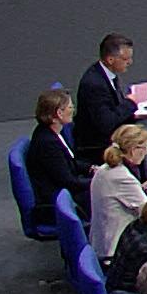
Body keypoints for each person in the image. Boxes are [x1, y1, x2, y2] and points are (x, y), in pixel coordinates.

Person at [91, 124, 147, 261]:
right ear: (134, 150)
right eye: (145, 147)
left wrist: (146, 185)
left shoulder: (105, 169)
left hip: (101, 241)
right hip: (115, 251)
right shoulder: (122, 177)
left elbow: (122, 195)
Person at [25, 89, 92, 228]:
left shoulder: (53, 132)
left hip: (65, 189)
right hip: (57, 202)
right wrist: (98, 181)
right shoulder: (48, 143)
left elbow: (69, 161)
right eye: (70, 107)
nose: (73, 110)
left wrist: (91, 168)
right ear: (59, 113)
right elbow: (68, 181)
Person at [75, 32, 139, 159]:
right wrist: (130, 104)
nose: (130, 62)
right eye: (126, 59)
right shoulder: (94, 85)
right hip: (97, 146)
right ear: (110, 59)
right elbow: (106, 123)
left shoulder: (107, 74)